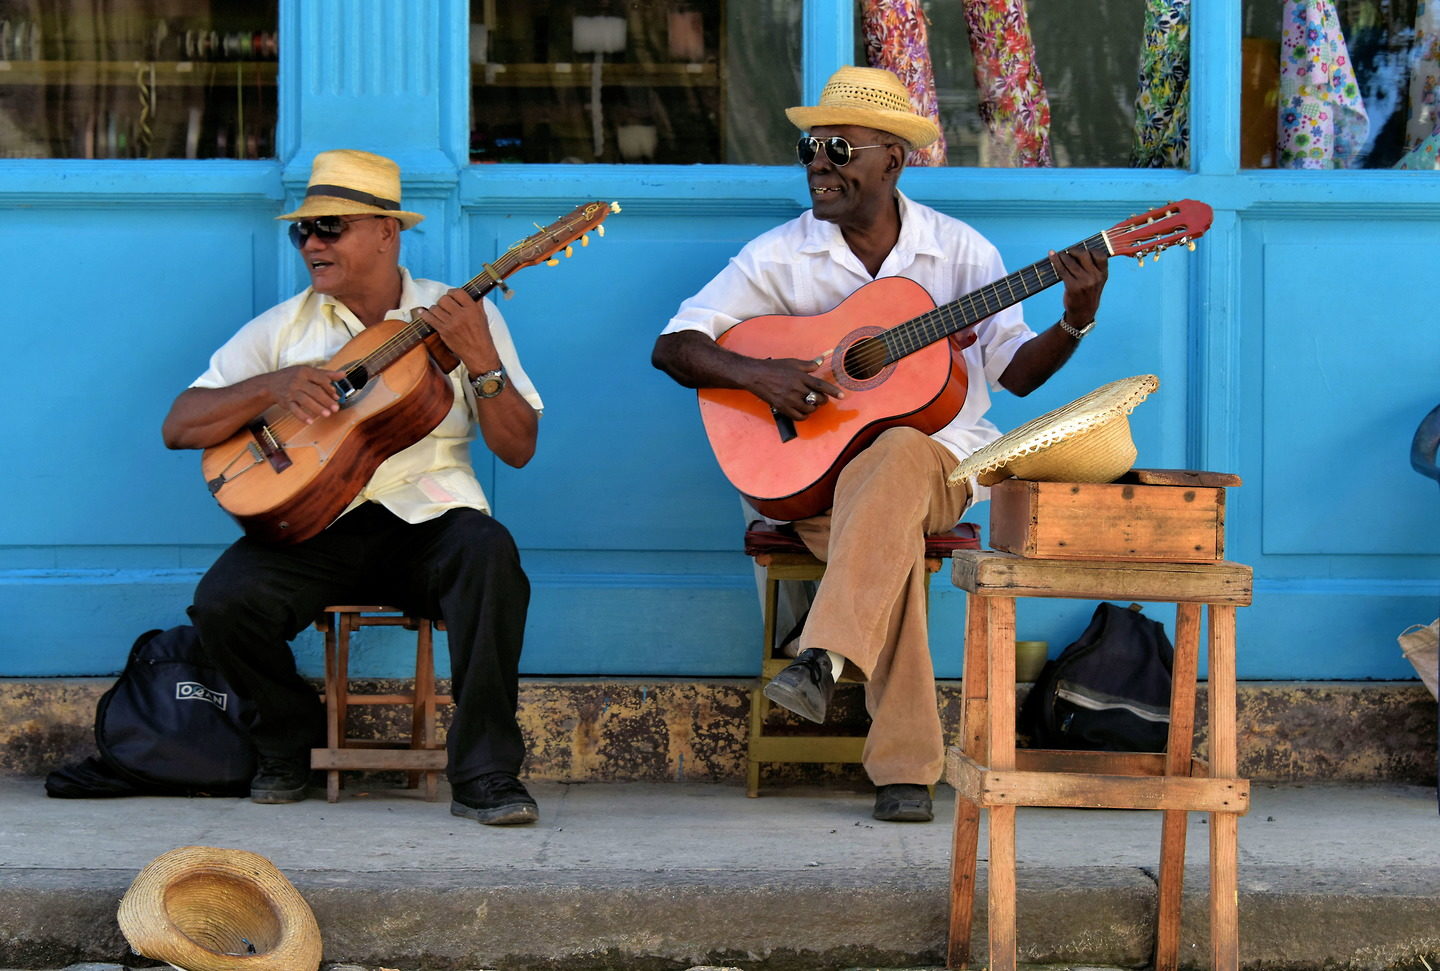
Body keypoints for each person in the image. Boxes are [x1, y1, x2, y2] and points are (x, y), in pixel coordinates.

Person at [651, 67, 1109, 823]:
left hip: (942, 461)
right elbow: (675, 347)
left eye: (838, 149)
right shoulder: (778, 256)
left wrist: (1076, 317)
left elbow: (1018, 375)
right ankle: (898, 761)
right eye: (808, 148)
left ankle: (825, 657)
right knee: (884, 544)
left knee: (897, 449)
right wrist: (761, 374)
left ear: (893, 161)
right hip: (816, 477)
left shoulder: (959, 252)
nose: (818, 165)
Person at [162, 149, 543, 825]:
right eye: (302, 230)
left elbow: (517, 449)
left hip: (430, 520)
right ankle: (286, 738)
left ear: (385, 233)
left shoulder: (455, 314)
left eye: (330, 226)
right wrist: (273, 386)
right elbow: (180, 422)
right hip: (319, 525)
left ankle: (486, 770)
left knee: (492, 554)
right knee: (222, 601)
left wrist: (480, 358)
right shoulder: (286, 328)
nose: (311, 242)